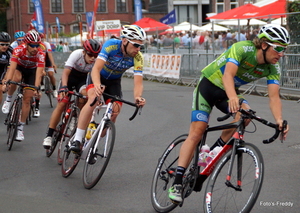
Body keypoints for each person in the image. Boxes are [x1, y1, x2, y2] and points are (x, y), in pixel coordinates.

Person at [168, 24, 290, 203]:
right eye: (278, 48)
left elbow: (274, 97)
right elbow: (228, 75)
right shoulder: (242, 48)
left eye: (284, 50)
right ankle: (177, 182)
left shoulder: (273, 68)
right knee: (197, 131)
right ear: (264, 45)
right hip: (208, 86)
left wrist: (279, 120)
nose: (281, 54)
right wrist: (233, 97)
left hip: (229, 91)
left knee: (246, 115)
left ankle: (215, 150)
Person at [69, 25, 146, 153]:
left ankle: (94, 142)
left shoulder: (138, 58)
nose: (138, 49)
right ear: (125, 41)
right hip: (98, 76)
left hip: (114, 81)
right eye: (135, 45)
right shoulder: (111, 45)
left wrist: (138, 97)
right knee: (93, 98)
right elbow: (96, 69)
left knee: (115, 110)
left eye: (140, 46)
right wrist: (97, 84)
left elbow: (138, 83)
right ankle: (77, 139)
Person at [42, 39, 101, 149]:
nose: (93, 57)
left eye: (95, 55)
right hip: (70, 78)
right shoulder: (76, 54)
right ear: (84, 52)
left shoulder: (97, 60)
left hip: (83, 80)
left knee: (85, 96)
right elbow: (65, 73)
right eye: (90, 54)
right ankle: (49, 135)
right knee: (62, 104)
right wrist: (64, 87)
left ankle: (74, 116)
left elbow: (96, 78)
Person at [2, 30, 45, 141]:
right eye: (32, 45)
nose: (35, 48)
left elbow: (39, 73)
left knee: (27, 99)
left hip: (31, 71)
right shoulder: (18, 50)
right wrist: (7, 81)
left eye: (37, 45)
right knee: (16, 78)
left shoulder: (41, 54)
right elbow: (11, 68)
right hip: (19, 68)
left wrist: (36, 88)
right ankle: (8, 99)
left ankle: (20, 128)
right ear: (26, 44)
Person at [40, 33, 58, 98]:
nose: (41, 40)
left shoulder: (46, 44)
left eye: (42, 39)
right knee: (41, 72)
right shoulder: (36, 45)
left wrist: (53, 64)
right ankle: (41, 83)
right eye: (40, 39)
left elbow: (50, 55)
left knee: (50, 74)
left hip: (47, 59)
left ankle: (54, 89)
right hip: (40, 59)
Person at [0, 32, 13, 104]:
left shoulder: (10, 51)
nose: (5, 46)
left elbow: (10, 67)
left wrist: (5, 80)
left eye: (7, 44)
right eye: (2, 44)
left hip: (2, 71)